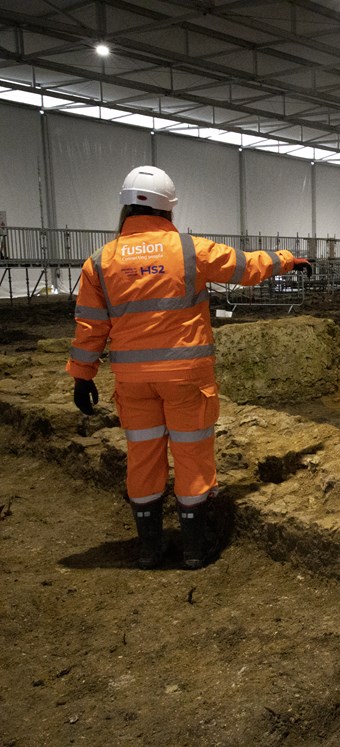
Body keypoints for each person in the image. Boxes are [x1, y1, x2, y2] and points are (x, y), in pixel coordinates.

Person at [66, 165, 312, 570]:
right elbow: (246, 267)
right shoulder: (189, 250)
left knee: (143, 458)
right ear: (169, 209)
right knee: (193, 456)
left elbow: (90, 326)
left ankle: (149, 549)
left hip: (133, 383)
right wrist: (286, 260)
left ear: (126, 206)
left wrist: (82, 375)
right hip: (186, 378)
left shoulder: (99, 262)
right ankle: (195, 549)